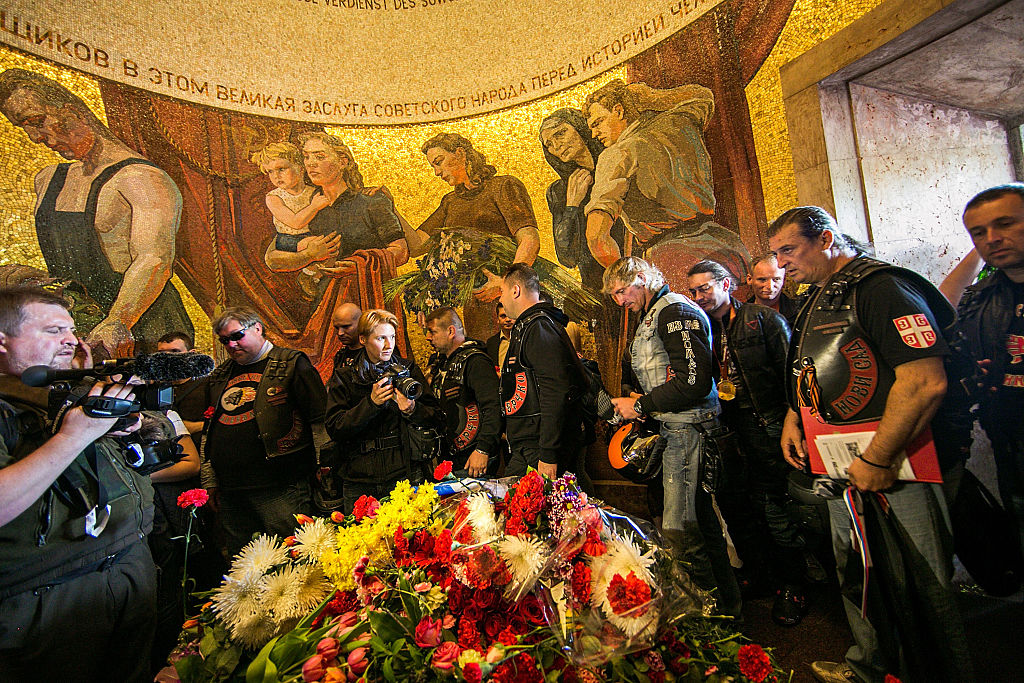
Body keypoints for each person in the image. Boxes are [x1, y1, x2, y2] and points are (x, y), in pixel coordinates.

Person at [768, 206, 973, 683]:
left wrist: (880, 457)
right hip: (840, 461)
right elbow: (814, 366)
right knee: (860, 574)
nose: (781, 265)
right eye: (776, 254)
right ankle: (872, 668)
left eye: (789, 250)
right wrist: (795, 415)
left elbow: (925, 380)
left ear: (825, 239)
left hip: (899, 464)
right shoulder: (820, 296)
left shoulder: (880, 288)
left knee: (922, 584)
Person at [0, 286, 156, 681]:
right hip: (46, 593)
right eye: (53, 331)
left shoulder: (63, 398)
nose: (71, 340)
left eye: (71, 330)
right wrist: (74, 436)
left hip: (125, 565)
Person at [0, 68, 192, 356]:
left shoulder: (141, 178)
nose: (34, 138)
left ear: (74, 111)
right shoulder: (48, 179)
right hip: (75, 327)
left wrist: (118, 321)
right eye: (23, 127)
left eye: (38, 121)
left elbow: (155, 259)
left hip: (144, 329)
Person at [603, 257, 741, 618]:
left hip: (689, 431)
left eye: (622, 290)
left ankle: (706, 618)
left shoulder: (675, 309)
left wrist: (641, 405)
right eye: (615, 295)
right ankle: (726, 610)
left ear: (642, 278)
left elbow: (695, 382)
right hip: (674, 429)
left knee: (681, 531)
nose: (620, 301)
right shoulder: (655, 312)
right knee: (700, 526)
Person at [687, 259, 808, 625]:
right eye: (693, 291)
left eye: (705, 288)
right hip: (725, 432)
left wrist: (793, 418)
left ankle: (794, 586)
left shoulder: (762, 319)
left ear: (727, 284)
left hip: (767, 425)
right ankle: (759, 575)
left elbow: (794, 373)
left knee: (774, 508)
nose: (699, 296)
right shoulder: (699, 328)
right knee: (737, 509)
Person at [262, 132, 411, 374]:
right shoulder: (308, 209)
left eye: (319, 156)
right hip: (323, 312)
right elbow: (273, 258)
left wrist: (359, 264)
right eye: (307, 157)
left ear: (343, 161)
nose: (311, 163)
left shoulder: (370, 202)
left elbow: (401, 251)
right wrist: (308, 255)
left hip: (370, 309)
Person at [581, 79, 750, 286]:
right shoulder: (681, 121)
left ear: (619, 111)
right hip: (726, 246)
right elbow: (703, 96)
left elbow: (596, 237)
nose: (593, 133)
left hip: (671, 262)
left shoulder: (616, 155)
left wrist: (629, 283)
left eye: (598, 122)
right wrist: (651, 96)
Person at [200, 307, 328, 556]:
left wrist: (325, 466)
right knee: (244, 566)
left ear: (257, 328)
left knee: (295, 556)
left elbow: (320, 421)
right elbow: (209, 431)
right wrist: (210, 480)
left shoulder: (292, 364)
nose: (232, 344)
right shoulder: (219, 376)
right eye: (225, 340)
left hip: (280, 485)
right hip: (231, 490)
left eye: (237, 335)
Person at [405, 132, 541, 339]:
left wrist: (505, 284)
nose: (436, 172)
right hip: (478, 302)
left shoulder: (503, 186)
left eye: (439, 162)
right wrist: (389, 207)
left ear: (459, 154)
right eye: (433, 166)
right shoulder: (450, 202)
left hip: (515, 295)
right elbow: (417, 246)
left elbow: (529, 238)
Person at [954, 183, 1024, 552]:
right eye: (978, 232)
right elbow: (940, 308)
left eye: (1005, 224)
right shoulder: (985, 295)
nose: (992, 238)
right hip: (1011, 437)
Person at [325, 309, 441, 512]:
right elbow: (335, 427)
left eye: (392, 337)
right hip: (359, 478)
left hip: (404, 473)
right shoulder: (345, 377)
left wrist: (413, 409)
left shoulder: (407, 369)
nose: (389, 345)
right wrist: (370, 404)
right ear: (363, 339)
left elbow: (436, 416)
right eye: (381, 338)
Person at [498, 263, 585, 479]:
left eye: (502, 291)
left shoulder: (538, 327)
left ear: (515, 290)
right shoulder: (531, 325)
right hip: (531, 444)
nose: (500, 299)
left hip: (538, 447)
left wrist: (547, 453)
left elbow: (554, 390)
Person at [424, 307, 502, 478]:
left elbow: (493, 407)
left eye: (433, 331)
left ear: (451, 331)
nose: (428, 337)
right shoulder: (440, 363)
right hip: (450, 458)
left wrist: (483, 448)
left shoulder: (476, 362)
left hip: (474, 458)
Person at [252, 142, 331, 301]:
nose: (276, 176)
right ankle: (308, 275)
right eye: (270, 172)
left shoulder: (314, 191)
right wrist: (314, 206)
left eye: (281, 169)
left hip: (309, 235)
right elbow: (295, 223)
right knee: (320, 245)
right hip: (288, 240)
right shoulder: (274, 197)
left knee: (332, 244)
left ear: (300, 168)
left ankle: (316, 276)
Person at [156, 331, 207, 438]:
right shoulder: (152, 387)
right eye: (162, 353)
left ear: (191, 354)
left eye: (175, 351)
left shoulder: (209, 385)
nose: (168, 358)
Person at [747, 252, 801, 324]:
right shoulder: (740, 316)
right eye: (762, 280)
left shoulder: (799, 312)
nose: (770, 286)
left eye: (776, 279)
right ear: (750, 279)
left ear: (784, 280)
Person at [330, 302, 363, 374]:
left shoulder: (373, 355)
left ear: (360, 323)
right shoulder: (340, 356)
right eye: (337, 328)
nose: (340, 333)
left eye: (346, 327)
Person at [486, 301, 514, 368]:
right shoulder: (491, 342)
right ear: (497, 319)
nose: (507, 319)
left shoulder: (525, 338)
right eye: (503, 316)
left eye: (510, 315)